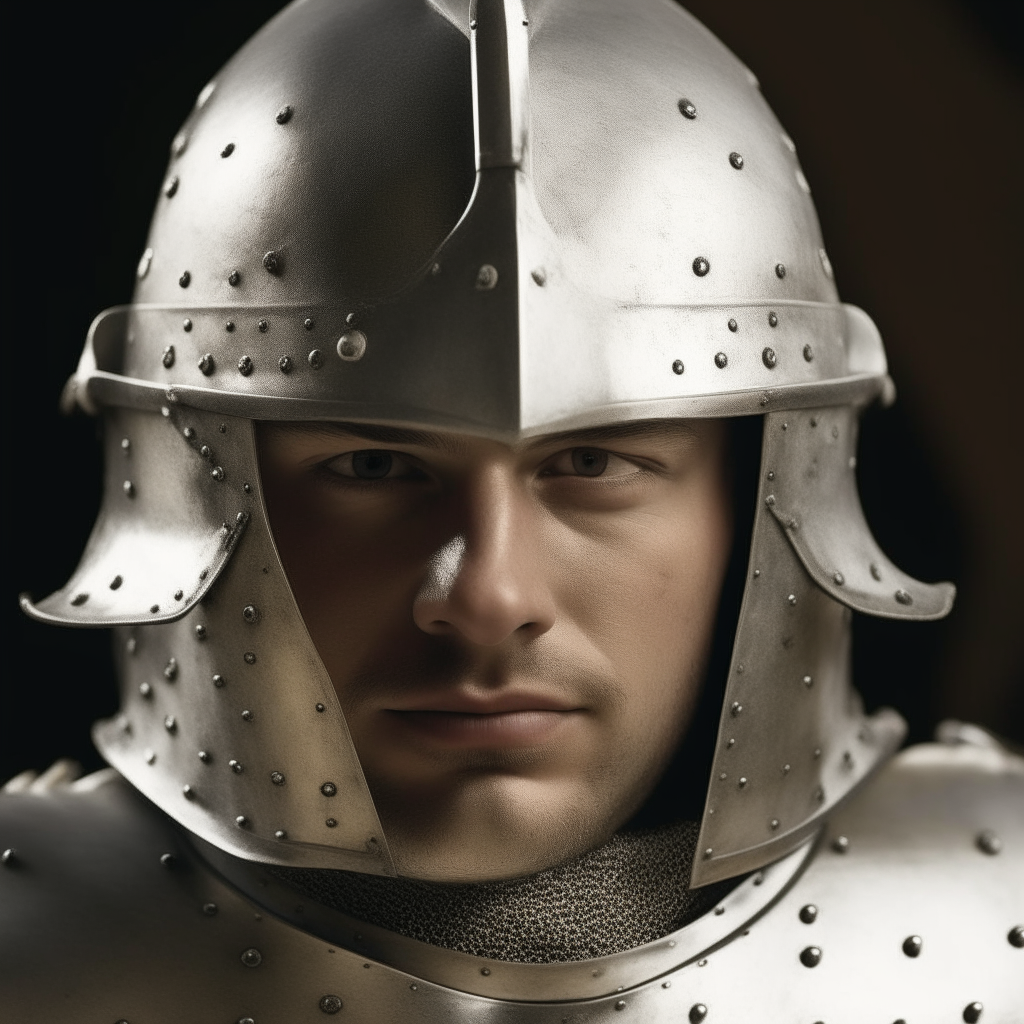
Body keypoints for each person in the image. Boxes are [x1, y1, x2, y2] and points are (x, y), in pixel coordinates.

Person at [2, 0, 1021, 1020]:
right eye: (373, 465)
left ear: (764, 492)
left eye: (590, 460)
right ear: (191, 485)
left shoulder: (994, 916)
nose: (489, 596)